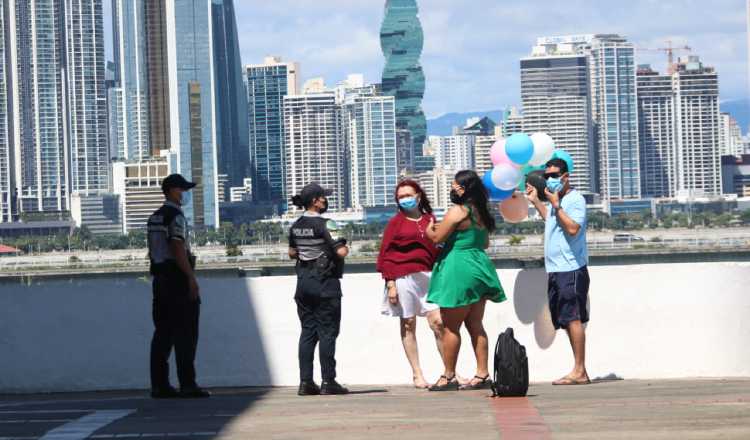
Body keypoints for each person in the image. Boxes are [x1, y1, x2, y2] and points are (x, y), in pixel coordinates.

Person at [426, 170, 507, 391]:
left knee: (450, 327)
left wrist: (428, 229)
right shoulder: (480, 212)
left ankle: (448, 375)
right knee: (475, 324)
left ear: (463, 188)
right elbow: (486, 243)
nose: (452, 190)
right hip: (479, 266)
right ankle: (482, 374)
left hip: (458, 267)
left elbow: (437, 237)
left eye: (454, 186)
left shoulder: (458, 211)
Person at [526, 158, 591, 385]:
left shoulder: (574, 200)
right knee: (565, 319)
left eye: (554, 175)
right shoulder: (558, 202)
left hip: (571, 268)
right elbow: (553, 223)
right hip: (556, 270)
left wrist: (556, 205)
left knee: (573, 318)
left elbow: (573, 228)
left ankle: (580, 370)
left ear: (565, 176)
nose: (550, 180)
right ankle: (578, 369)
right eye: (547, 176)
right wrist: (537, 202)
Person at [376, 180, 444, 389]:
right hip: (402, 277)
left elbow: (437, 247)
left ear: (419, 195)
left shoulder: (430, 219)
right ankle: (417, 374)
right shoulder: (395, 223)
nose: (405, 199)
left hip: (429, 276)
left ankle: (449, 371)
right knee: (408, 323)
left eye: (408, 194)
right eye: (401, 196)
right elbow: (385, 254)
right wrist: (390, 284)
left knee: (438, 323)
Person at [147, 174, 210, 398]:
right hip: (177, 281)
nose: (184, 194)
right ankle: (187, 384)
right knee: (186, 334)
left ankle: (159, 385)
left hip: (159, 280)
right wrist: (191, 278)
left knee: (162, 334)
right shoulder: (177, 217)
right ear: (173, 190)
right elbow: (177, 247)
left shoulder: (154, 217)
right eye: (182, 190)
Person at [288, 183, 350, 396]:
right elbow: (341, 251)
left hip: (303, 284)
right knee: (327, 333)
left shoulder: (295, 225)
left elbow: (291, 253)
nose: (325, 200)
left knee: (307, 332)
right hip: (325, 285)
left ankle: (305, 382)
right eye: (323, 197)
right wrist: (344, 245)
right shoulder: (328, 223)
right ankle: (328, 381)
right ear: (315, 200)